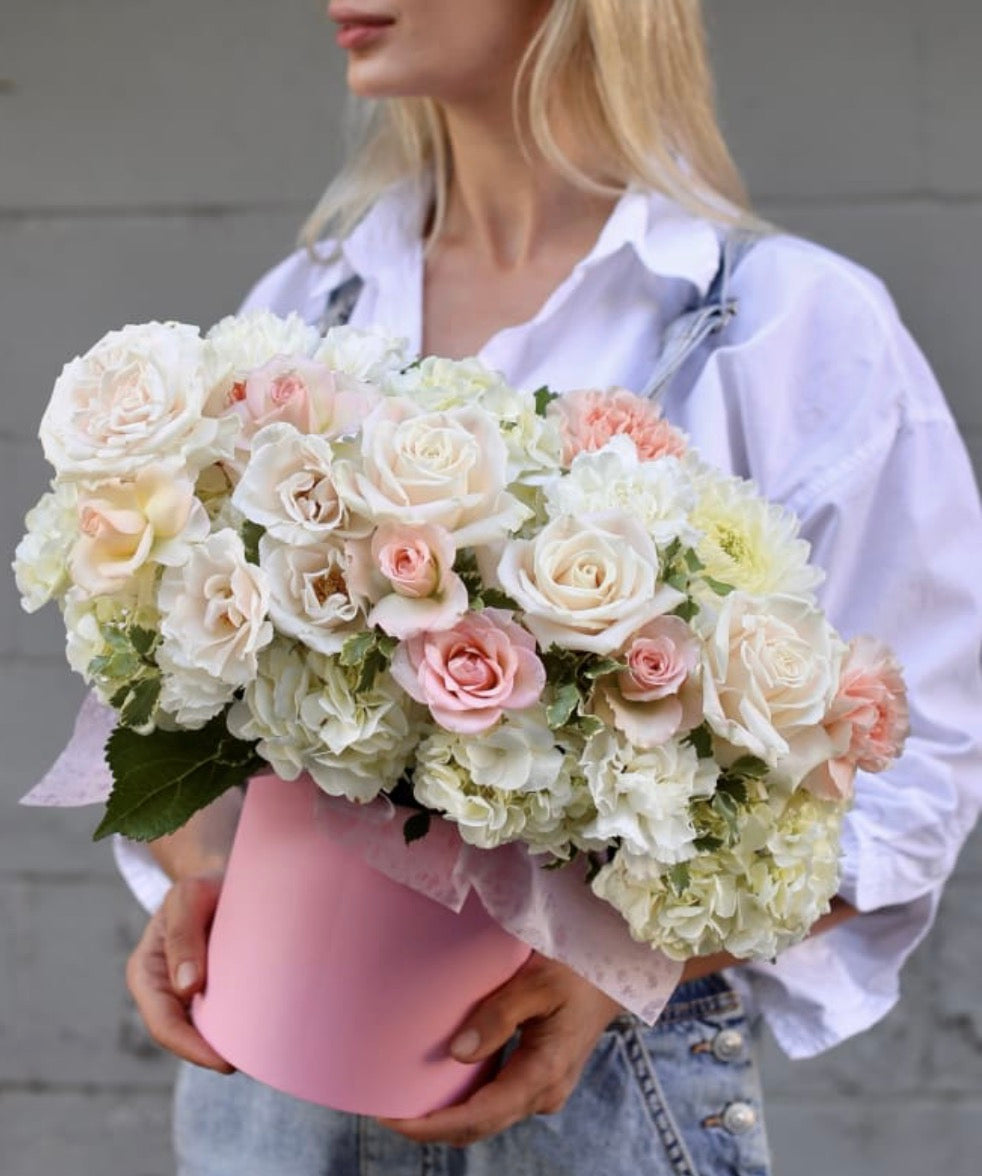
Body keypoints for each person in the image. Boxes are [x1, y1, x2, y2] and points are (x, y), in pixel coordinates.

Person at [112, 2, 982, 1173]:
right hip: (270, 1099)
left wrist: (615, 963)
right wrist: (203, 885)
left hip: (600, 1104)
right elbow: (178, 706)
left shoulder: (781, 325)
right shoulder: (311, 312)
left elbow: (920, 760)